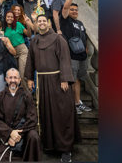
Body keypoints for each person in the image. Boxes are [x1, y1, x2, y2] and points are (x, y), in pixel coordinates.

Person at [24, 15, 80, 163]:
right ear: (36, 24)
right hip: (42, 81)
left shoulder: (58, 39)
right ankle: (50, 145)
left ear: (48, 24)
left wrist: (65, 79)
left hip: (58, 82)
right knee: (46, 113)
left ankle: (65, 149)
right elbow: (30, 60)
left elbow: (64, 59)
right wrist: (29, 78)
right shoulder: (34, 41)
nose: (41, 23)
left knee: (61, 114)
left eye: (44, 21)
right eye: (39, 21)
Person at [0, 68, 41, 162]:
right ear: (6, 79)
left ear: (19, 80)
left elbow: (32, 119)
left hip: (24, 133)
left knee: (34, 136)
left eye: (15, 78)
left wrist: (17, 135)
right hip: (8, 134)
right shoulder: (1, 96)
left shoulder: (27, 95)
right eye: (10, 77)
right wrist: (10, 133)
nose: (13, 80)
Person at [61, 0, 92, 115]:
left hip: (82, 56)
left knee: (78, 80)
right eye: (72, 10)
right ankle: (72, 104)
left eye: (75, 10)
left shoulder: (80, 23)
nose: (74, 11)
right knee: (72, 80)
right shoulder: (66, 21)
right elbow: (65, 8)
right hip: (72, 56)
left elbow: (83, 36)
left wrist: (85, 48)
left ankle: (78, 102)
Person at [4, 11, 30, 90]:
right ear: (5, 18)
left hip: (22, 50)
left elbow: (28, 34)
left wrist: (28, 24)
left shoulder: (18, 25)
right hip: (11, 52)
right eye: (8, 16)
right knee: (13, 75)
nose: (10, 18)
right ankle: (16, 95)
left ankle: (27, 95)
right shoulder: (3, 28)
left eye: (11, 17)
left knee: (22, 75)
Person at [0, 19, 17, 94]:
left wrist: (7, 44)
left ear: (1, 28)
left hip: (2, 70)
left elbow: (14, 52)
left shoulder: (5, 39)